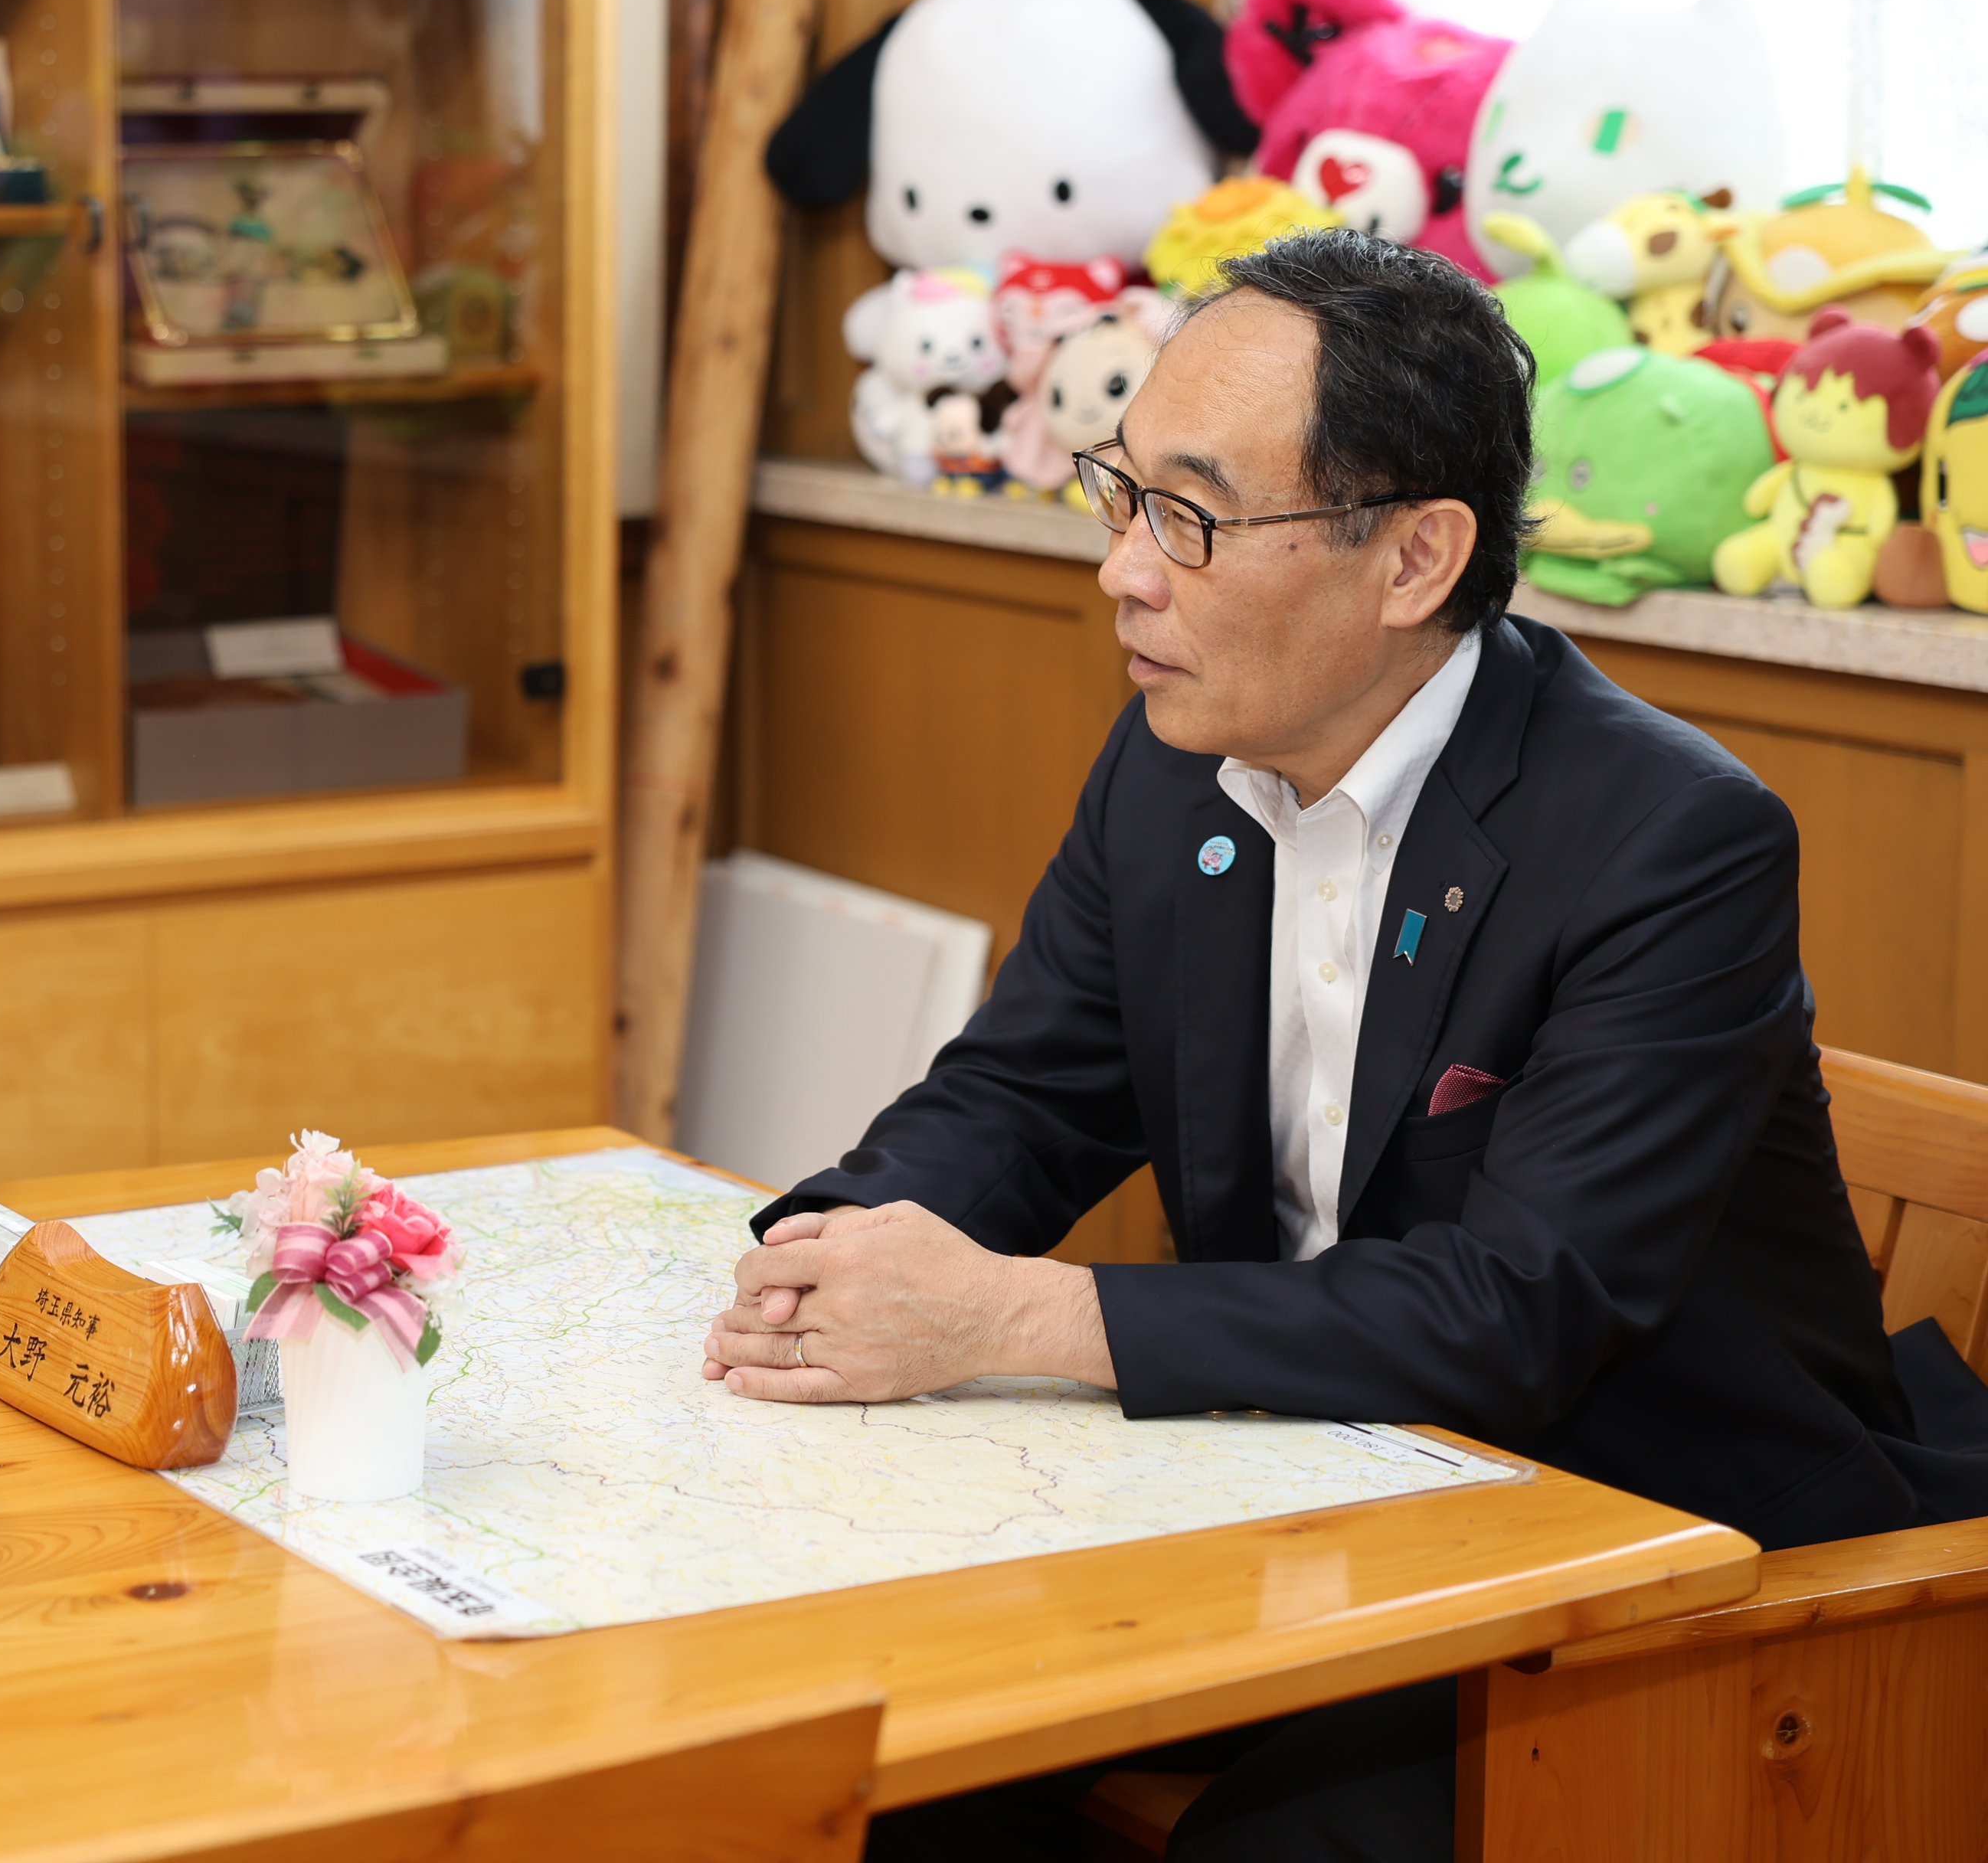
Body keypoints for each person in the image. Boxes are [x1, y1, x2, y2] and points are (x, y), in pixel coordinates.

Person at [702, 231, 1986, 1861]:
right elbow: (1025, 1092)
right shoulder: (1175, 756)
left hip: (1647, 1545)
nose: (1124, 571)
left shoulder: (1672, 840)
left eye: (1193, 516)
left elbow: (1517, 1309)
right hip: (1313, 1485)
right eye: (1121, 490)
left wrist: (1018, 1310)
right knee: (872, 1733)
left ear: (1414, 558)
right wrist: (829, 1246)